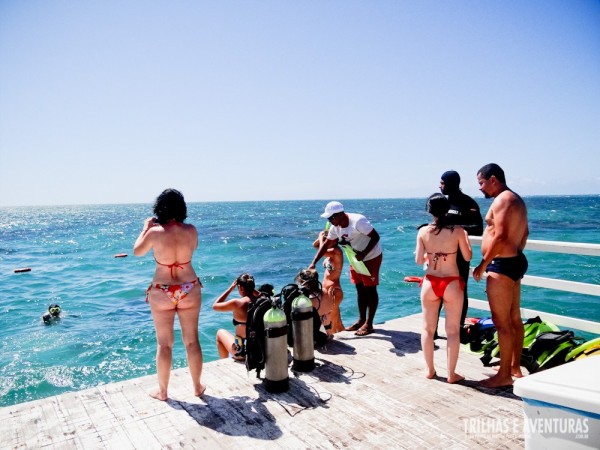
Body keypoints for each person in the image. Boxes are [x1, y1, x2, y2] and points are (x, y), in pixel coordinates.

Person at [133, 188, 205, 400]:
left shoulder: (154, 233)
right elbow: (194, 248)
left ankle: (163, 392)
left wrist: (145, 228)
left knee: (164, 344)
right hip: (189, 287)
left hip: (162, 290)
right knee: (192, 341)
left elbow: (137, 251)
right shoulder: (191, 230)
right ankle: (197, 386)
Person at [473, 163, 529, 388]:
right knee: (514, 319)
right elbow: (524, 232)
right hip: (513, 261)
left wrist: (483, 263)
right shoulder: (516, 199)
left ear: (493, 179)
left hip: (501, 265)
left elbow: (502, 235)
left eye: (481, 183)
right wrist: (516, 254)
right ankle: (514, 367)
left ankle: (504, 375)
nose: (480, 189)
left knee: (502, 322)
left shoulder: (503, 199)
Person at [416, 193, 472, 383]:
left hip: (430, 282)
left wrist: (431, 256)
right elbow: (467, 257)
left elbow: (418, 260)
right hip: (451, 282)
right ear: (447, 209)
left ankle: (430, 370)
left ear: (429, 210)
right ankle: (451, 374)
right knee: (453, 331)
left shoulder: (423, 231)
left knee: (427, 329)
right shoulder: (458, 231)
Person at [309, 201, 383, 336]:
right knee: (360, 288)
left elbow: (376, 237)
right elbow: (326, 245)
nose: (330, 221)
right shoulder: (335, 227)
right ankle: (361, 320)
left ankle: (369, 324)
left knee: (370, 289)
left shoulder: (358, 221)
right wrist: (313, 262)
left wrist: (365, 253)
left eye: (332, 217)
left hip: (371, 256)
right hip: (356, 258)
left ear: (341, 214)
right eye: (328, 218)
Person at [434, 170, 483, 340]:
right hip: (441, 256)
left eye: (442, 183)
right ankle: (432, 330)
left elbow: (478, 229)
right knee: (437, 290)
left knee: (461, 291)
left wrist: (455, 228)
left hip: (460, 257)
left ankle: (459, 328)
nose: (440, 186)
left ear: (451, 183)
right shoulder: (441, 202)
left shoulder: (467, 202)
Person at [212, 273, 255, 361]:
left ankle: (223, 362)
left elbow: (215, 306)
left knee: (220, 333)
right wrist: (252, 290)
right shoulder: (262, 301)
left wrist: (230, 289)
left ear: (240, 288)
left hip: (242, 353)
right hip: (259, 350)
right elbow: (262, 295)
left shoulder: (237, 303)